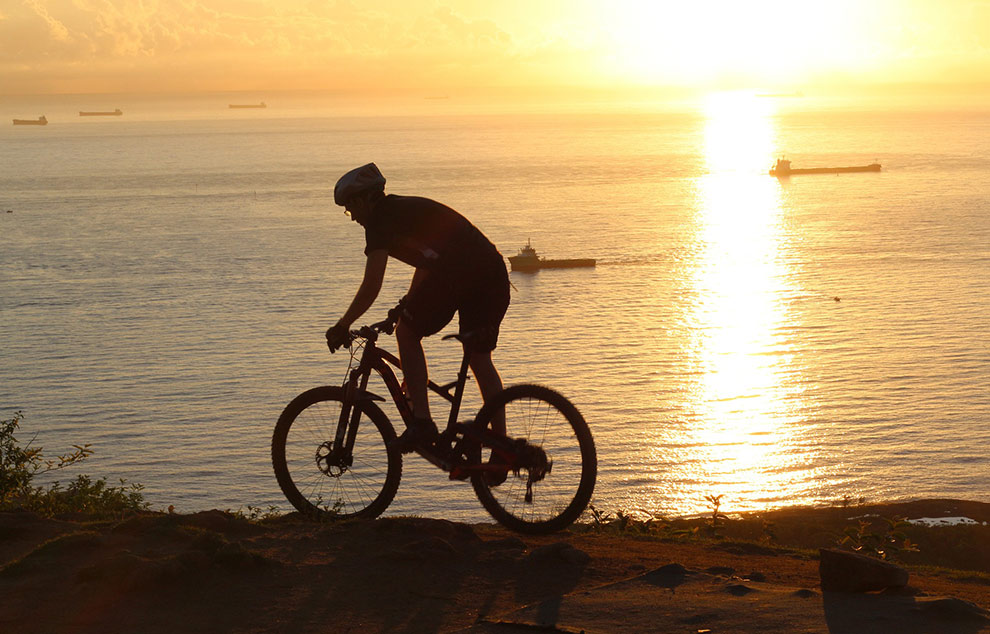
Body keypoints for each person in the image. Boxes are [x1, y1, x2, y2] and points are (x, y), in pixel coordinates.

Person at [325, 163, 510, 453]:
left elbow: (372, 285)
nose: (352, 218)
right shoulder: (402, 211)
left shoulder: (380, 222)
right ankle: (503, 447)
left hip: (463, 276)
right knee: (479, 358)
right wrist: (405, 305)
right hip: (491, 274)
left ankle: (422, 423)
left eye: (350, 209)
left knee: (406, 335)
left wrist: (342, 325)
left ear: (362, 200)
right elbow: (427, 261)